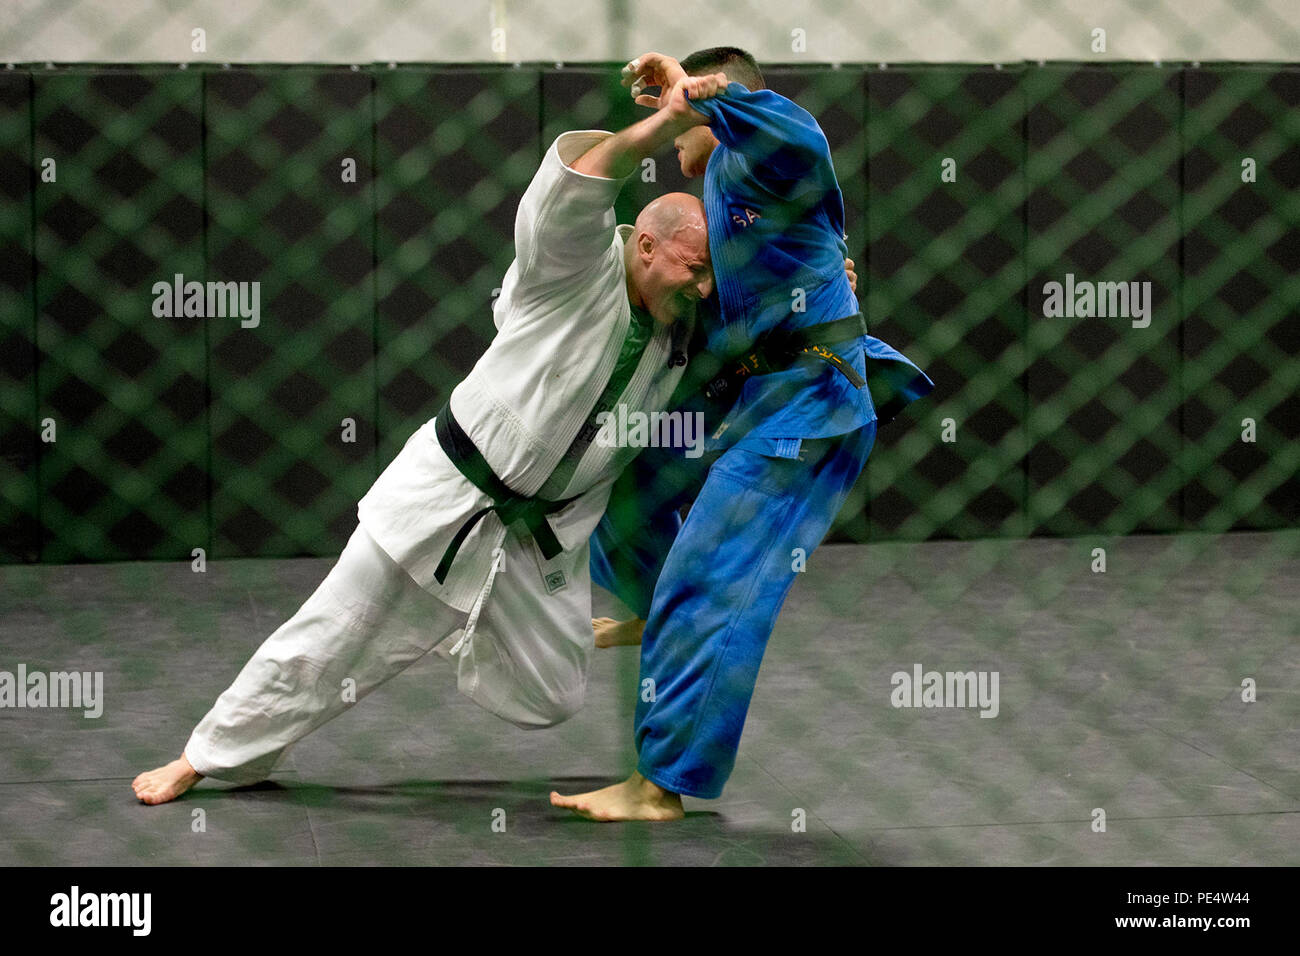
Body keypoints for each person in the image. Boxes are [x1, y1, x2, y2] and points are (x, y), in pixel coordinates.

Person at [130, 87, 725, 804]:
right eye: (692, 267)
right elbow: (582, 179)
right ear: (646, 245)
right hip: (448, 495)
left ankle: (450, 620)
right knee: (330, 635)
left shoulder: (684, 329)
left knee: (555, 694)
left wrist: (824, 285)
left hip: (545, 535)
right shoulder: (570, 272)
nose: (704, 284)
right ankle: (206, 756)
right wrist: (666, 124)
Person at [552, 48, 934, 821]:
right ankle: (651, 599)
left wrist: (704, 96)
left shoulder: (763, 157)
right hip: (761, 390)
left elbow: (801, 140)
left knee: (710, 585)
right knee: (622, 477)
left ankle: (659, 785)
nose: (671, 137)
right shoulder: (724, 187)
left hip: (811, 407)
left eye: (680, 115)